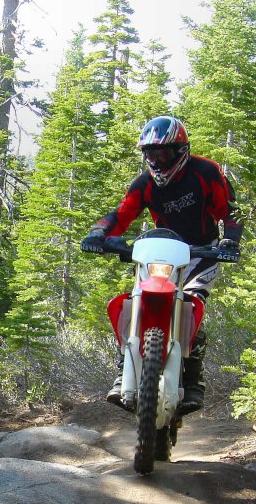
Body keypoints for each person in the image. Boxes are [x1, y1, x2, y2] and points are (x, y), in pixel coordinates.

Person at [80, 115, 243, 414]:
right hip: (161, 251)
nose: (155, 160)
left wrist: (230, 240)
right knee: (133, 300)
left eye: (162, 153)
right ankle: (123, 370)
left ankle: (193, 382)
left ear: (180, 150)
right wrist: (99, 232)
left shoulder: (206, 172)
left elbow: (231, 211)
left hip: (201, 253)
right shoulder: (145, 184)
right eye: (150, 154)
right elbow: (122, 213)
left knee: (192, 305)